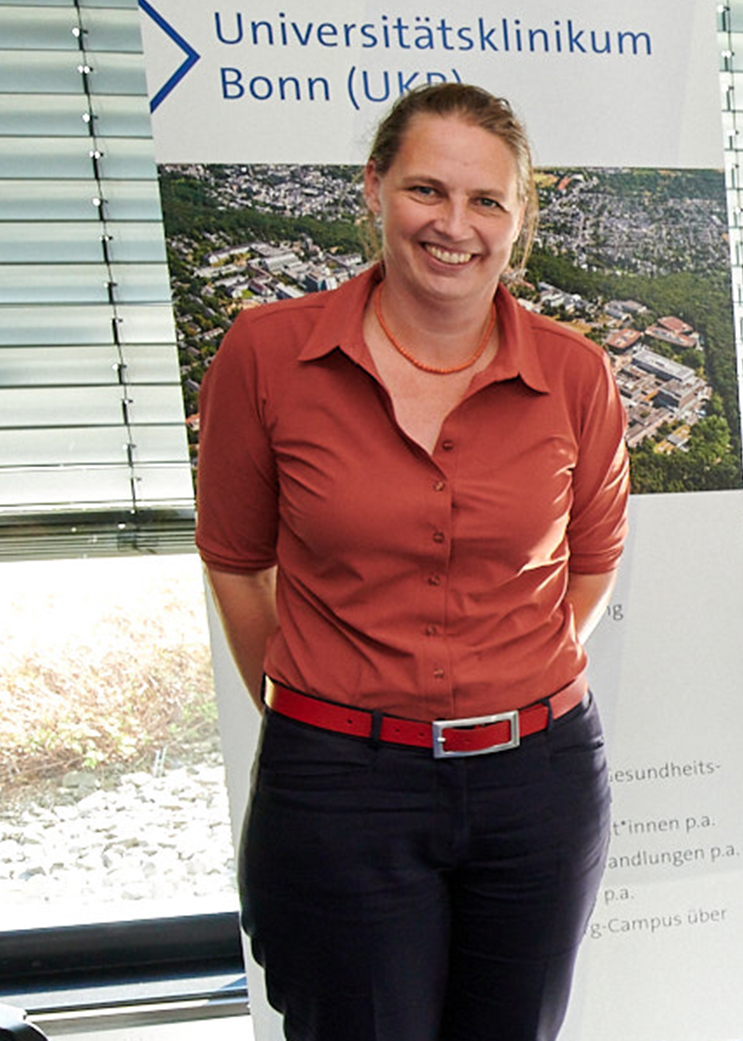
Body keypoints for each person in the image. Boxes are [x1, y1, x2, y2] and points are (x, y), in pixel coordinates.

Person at [194, 82, 630, 1039]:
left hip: (537, 784)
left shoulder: (576, 374)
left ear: (519, 223)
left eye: (487, 202)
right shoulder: (267, 355)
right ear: (374, 188)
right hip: (338, 787)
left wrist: (499, 671)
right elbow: (235, 559)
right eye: (426, 190)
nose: (454, 225)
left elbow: (591, 563)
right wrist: (325, 702)